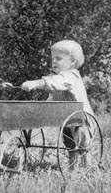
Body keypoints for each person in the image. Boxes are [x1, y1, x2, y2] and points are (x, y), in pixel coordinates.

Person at [22, 40, 95, 169]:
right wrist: (42, 109)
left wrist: (36, 83)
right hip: (67, 119)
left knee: (83, 146)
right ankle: (73, 168)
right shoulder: (60, 78)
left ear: (72, 62)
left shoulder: (70, 76)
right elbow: (52, 99)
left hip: (81, 118)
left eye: (59, 58)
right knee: (70, 145)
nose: (54, 62)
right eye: (52, 59)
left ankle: (88, 169)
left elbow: (55, 83)